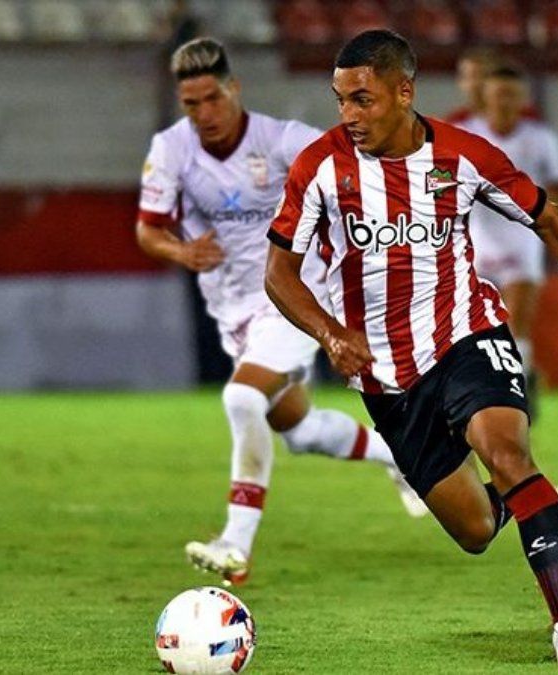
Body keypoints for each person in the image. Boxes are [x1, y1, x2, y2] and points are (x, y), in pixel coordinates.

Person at [264, 30, 558, 674]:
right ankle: (531, 500)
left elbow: (547, 214)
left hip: (465, 335)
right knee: (476, 530)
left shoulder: (462, 155)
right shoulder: (320, 167)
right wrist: (330, 333)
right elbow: (279, 273)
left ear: (404, 91)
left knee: (506, 453)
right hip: (386, 376)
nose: (349, 115)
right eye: (340, 100)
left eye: (362, 99)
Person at [134, 37, 426, 587]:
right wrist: (181, 252)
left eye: (213, 99)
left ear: (233, 88)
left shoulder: (284, 140)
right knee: (298, 429)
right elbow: (148, 229)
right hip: (233, 313)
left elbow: (354, 165)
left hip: (293, 296)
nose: (205, 114)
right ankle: (401, 456)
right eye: (192, 105)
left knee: (242, 398)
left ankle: (235, 543)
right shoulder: (172, 149)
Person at [455, 62, 558, 396]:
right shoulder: (464, 136)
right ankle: (483, 390)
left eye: (512, 95)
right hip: (476, 242)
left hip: (522, 241)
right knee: (469, 329)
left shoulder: (541, 139)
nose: (505, 101)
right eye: (499, 94)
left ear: (523, 98)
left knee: (516, 325)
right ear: (485, 96)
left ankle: (516, 393)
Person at [444, 47, 540, 125]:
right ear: (460, 82)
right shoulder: (456, 121)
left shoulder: (527, 118)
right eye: (472, 76)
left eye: (485, 75)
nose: (479, 83)